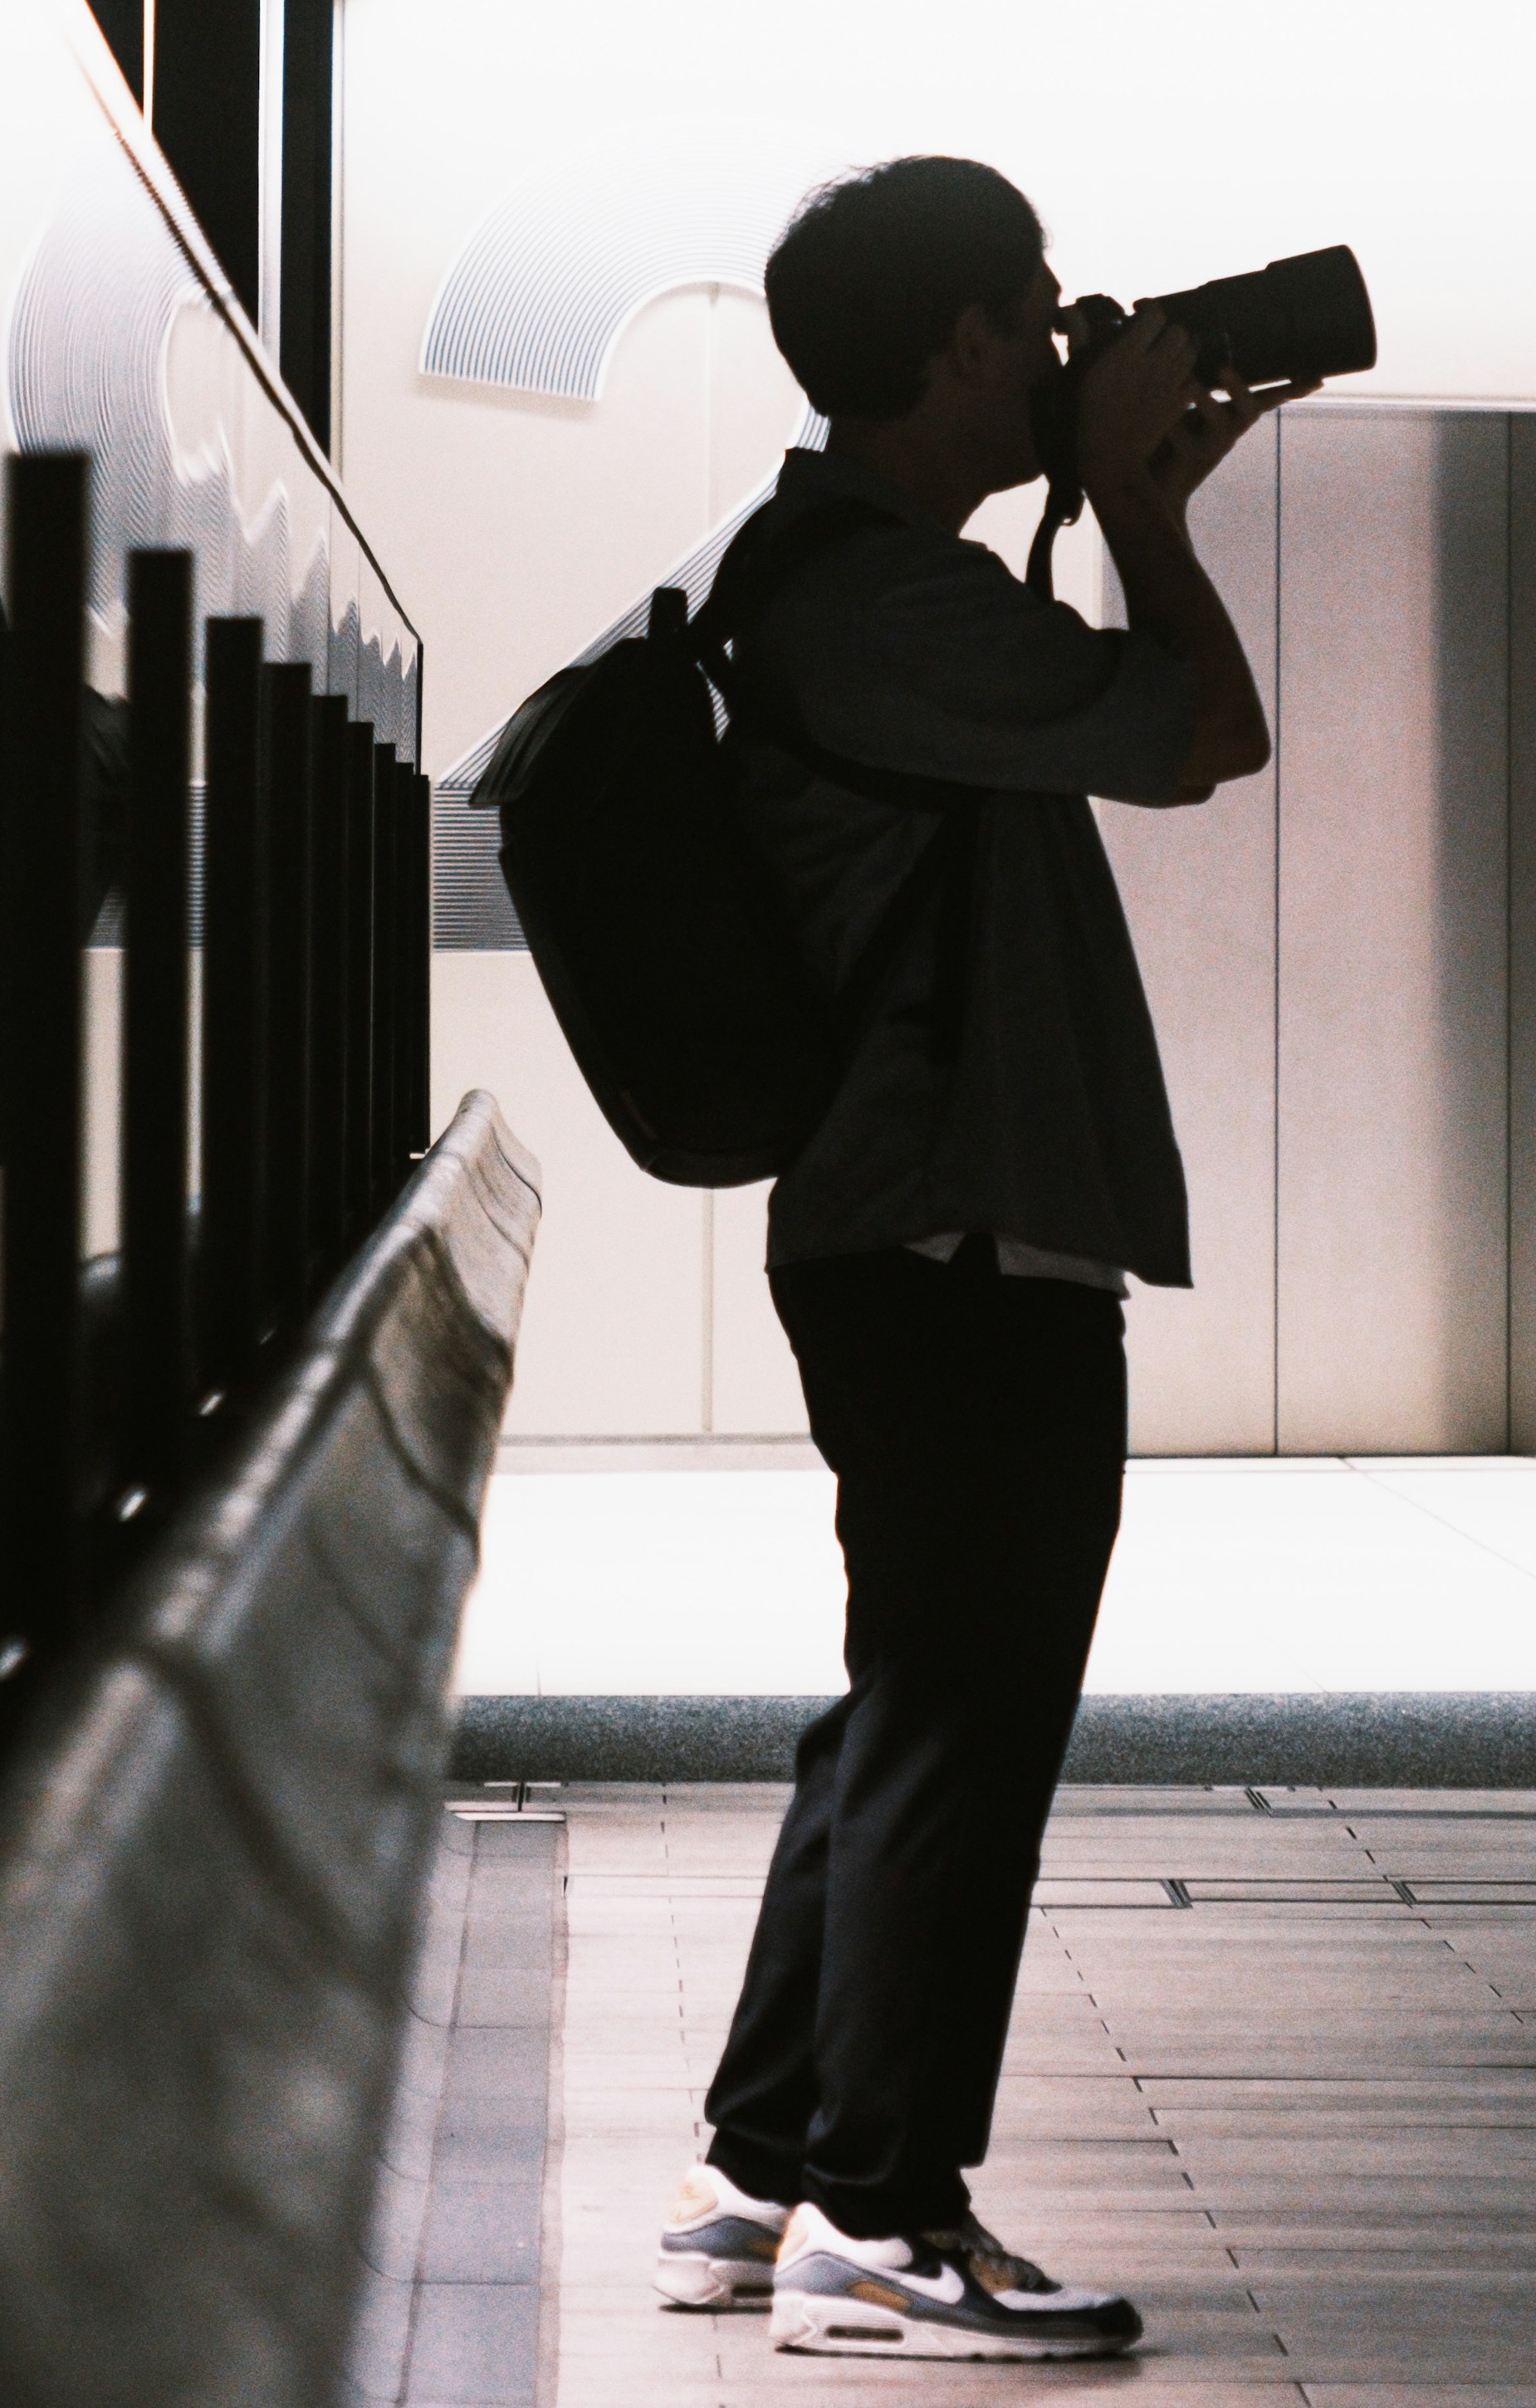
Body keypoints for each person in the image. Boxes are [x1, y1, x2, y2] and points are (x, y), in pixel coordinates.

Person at [653, 154, 1295, 2362]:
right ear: (949, 349)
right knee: (967, 1712)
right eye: (1033, 319)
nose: (1060, 347)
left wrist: (1110, 478)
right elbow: (1203, 732)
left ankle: (765, 2164)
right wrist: (1149, 506)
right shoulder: (875, 598)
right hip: (953, 1228)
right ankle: (884, 2207)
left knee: (908, 1697)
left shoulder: (842, 568)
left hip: (913, 1221)